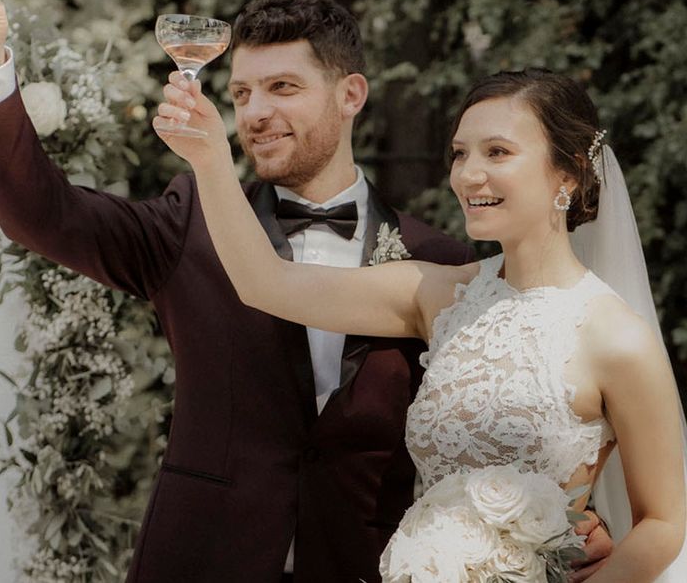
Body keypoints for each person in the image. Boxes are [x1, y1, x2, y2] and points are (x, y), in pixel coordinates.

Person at [0, 0, 612, 582]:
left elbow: (489, 421)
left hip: (369, 566)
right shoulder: (187, 225)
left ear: (350, 95)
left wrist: (552, 518)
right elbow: (41, 213)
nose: (254, 111)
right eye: (241, 93)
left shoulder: (433, 258)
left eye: (282, 87)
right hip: (204, 561)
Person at [152, 63, 687, 582]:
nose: (468, 174)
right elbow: (265, 284)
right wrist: (211, 159)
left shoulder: (618, 338)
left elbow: (664, 523)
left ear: (566, 173)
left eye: (497, 151)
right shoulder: (437, 294)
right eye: (459, 154)